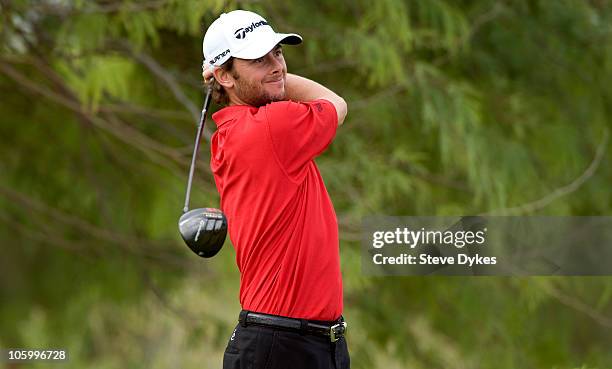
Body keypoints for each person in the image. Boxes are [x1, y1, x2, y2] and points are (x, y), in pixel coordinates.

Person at [201, 9, 349, 369]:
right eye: (257, 58)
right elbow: (337, 105)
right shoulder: (273, 127)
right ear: (224, 75)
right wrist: (274, 80)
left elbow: (275, 86)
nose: (276, 65)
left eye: (277, 53)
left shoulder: (231, 132)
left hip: (298, 342)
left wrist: (259, 76)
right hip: (283, 346)